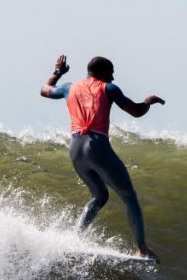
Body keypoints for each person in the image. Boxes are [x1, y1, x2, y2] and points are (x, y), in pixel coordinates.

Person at [40, 54, 165, 262]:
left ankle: (75, 239)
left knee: (100, 196)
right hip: (97, 147)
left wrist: (57, 73)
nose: (114, 77)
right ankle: (142, 248)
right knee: (129, 197)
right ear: (103, 73)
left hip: (75, 149)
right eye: (111, 72)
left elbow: (44, 90)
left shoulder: (69, 87)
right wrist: (148, 102)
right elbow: (135, 111)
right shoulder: (109, 88)